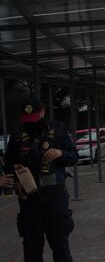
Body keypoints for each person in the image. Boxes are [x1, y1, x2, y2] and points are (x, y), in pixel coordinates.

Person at [3, 98, 78, 262]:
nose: (31, 123)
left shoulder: (58, 129)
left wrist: (60, 153)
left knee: (60, 246)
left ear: (43, 112)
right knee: (31, 247)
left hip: (54, 197)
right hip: (29, 197)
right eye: (27, 119)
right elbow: (8, 165)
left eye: (35, 118)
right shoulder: (17, 135)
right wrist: (15, 180)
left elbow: (74, 156)